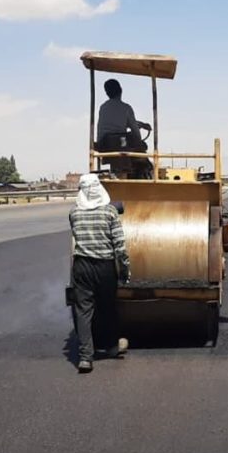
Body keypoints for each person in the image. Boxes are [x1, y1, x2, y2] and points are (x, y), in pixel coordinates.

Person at [69, 173, 131, 373]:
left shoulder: (74, 213)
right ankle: (112, 347)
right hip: (104, 267)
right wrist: (124, 270)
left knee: (83, 311)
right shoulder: (110, 212)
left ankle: (86, 357)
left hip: (82, 266)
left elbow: (76, 237)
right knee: (107, 308)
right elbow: (120, 247)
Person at [96, 78, 151, 152]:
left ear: (107, 93)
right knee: (140, 146)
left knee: (126, 139)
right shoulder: (126, 108)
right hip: (118, 143)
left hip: (103, 144)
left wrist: (142, 124)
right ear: (121, 90)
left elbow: (117, 121)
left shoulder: (103, 107)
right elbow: (135, 129)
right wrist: (139, 142)